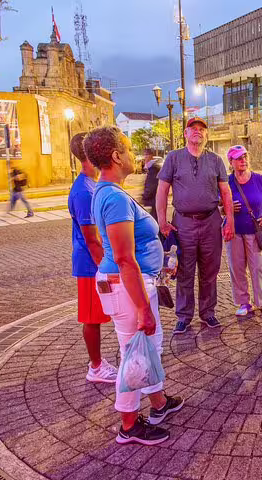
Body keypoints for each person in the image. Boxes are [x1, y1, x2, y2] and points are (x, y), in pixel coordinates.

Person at [85, 126, 183, 445]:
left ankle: (158, 404)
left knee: (148, 348)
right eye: (127, 149)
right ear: (116, 156)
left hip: (131, 283)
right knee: (135, 354)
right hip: (126, 286)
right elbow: (125, 258)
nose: (133, 156)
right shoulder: (113, 197)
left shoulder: (110, 192)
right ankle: (129, 425)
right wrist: (143, 307)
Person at [156, 117, 235, 334]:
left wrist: (230, 220)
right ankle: (184, 316)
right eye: (193, 129)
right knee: (184, 271)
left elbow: (226, 192)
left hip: (210, 221)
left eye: (202, 129)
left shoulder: (216, 160)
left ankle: (208, 313)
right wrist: (162, 221)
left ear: (206, 135)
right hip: (183, 223)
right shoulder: (173, 158)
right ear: (185, 133)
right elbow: (162, 191)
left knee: (210, 271)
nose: (198, 132)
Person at [67, 132, 117, 384]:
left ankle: (97, 364)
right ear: (87, 155)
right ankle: (96, 367)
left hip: (93, 261)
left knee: (96, 315)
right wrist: (105, 269)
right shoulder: (84, 192)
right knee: (91, 317)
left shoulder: (90, 185)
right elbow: (91, 239)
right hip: (90, 264)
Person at [225, 145, 262, 316]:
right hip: (234, 231)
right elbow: (217, 204)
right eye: (238, 158)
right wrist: (226, 208)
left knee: (257, 267)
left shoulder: (258, 179)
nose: (243, 160)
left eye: (245, 156)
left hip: (254, 231)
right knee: (236, 267)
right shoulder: (227, 182)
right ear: (231, 162)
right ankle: (244, 303)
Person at [141, 148, 162, 222]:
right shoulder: (151, 168)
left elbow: (151, 186)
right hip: (153, 201)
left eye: (146, 155)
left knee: (155, 223)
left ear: (151, 156)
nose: (144, 158)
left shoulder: (154, 168)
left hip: (154, 201)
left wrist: (144, 197)